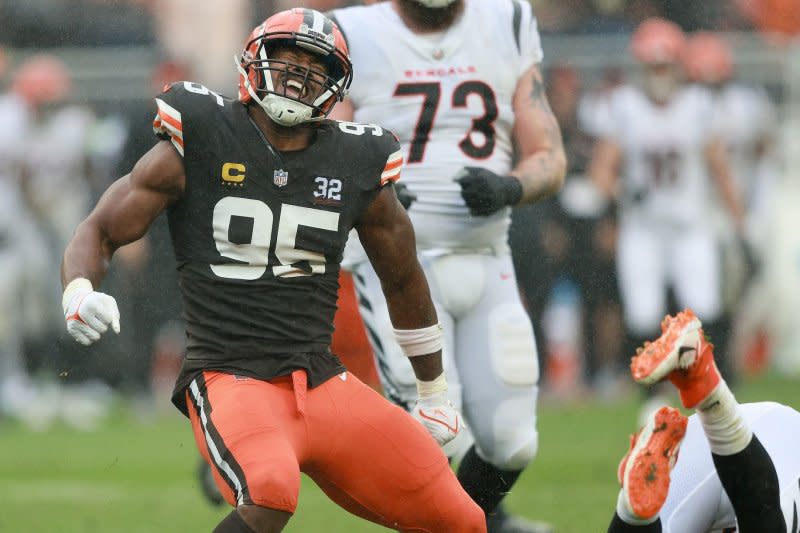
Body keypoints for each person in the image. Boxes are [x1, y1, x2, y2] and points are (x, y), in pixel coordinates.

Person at [60, 8, 486, 533]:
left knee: (462, 519)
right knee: (269, 493)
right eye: (288, 59)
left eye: (315, 67)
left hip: (323, 381)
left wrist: (434, 392)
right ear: (254, 62)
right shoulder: (201, 134)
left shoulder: (356, 160)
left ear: (335, 86)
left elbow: (402, 277)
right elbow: (101, 227)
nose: (299, 75)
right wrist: (78, 290)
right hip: (229, 374)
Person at [328, 0, 566, 531]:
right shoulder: (353, 32)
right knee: (436, 435)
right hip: (393, 266)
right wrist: (371, 187)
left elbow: (549, 154)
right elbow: (320, 147)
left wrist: (511, 186)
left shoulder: (506, 20)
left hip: (487, 257)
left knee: (512, 442)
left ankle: (477, 521)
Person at [588, 18, 746, 389]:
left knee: (702, 307)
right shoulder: (625, 107)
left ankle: (710, 385)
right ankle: (652, 391)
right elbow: (601, 173)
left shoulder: (698, 105)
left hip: (691, 225)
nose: (658, 73)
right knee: (643, 314)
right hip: (643, 227)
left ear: (678, 65)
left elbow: (719, 168)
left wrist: (740, 222)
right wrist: (622, 190)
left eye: (664, 64)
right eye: (652, 65)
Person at [609, 309, 800, 532]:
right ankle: (711, 397)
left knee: (643, 506)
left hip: (724, 439)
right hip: (777, 452)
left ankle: (632, 513)